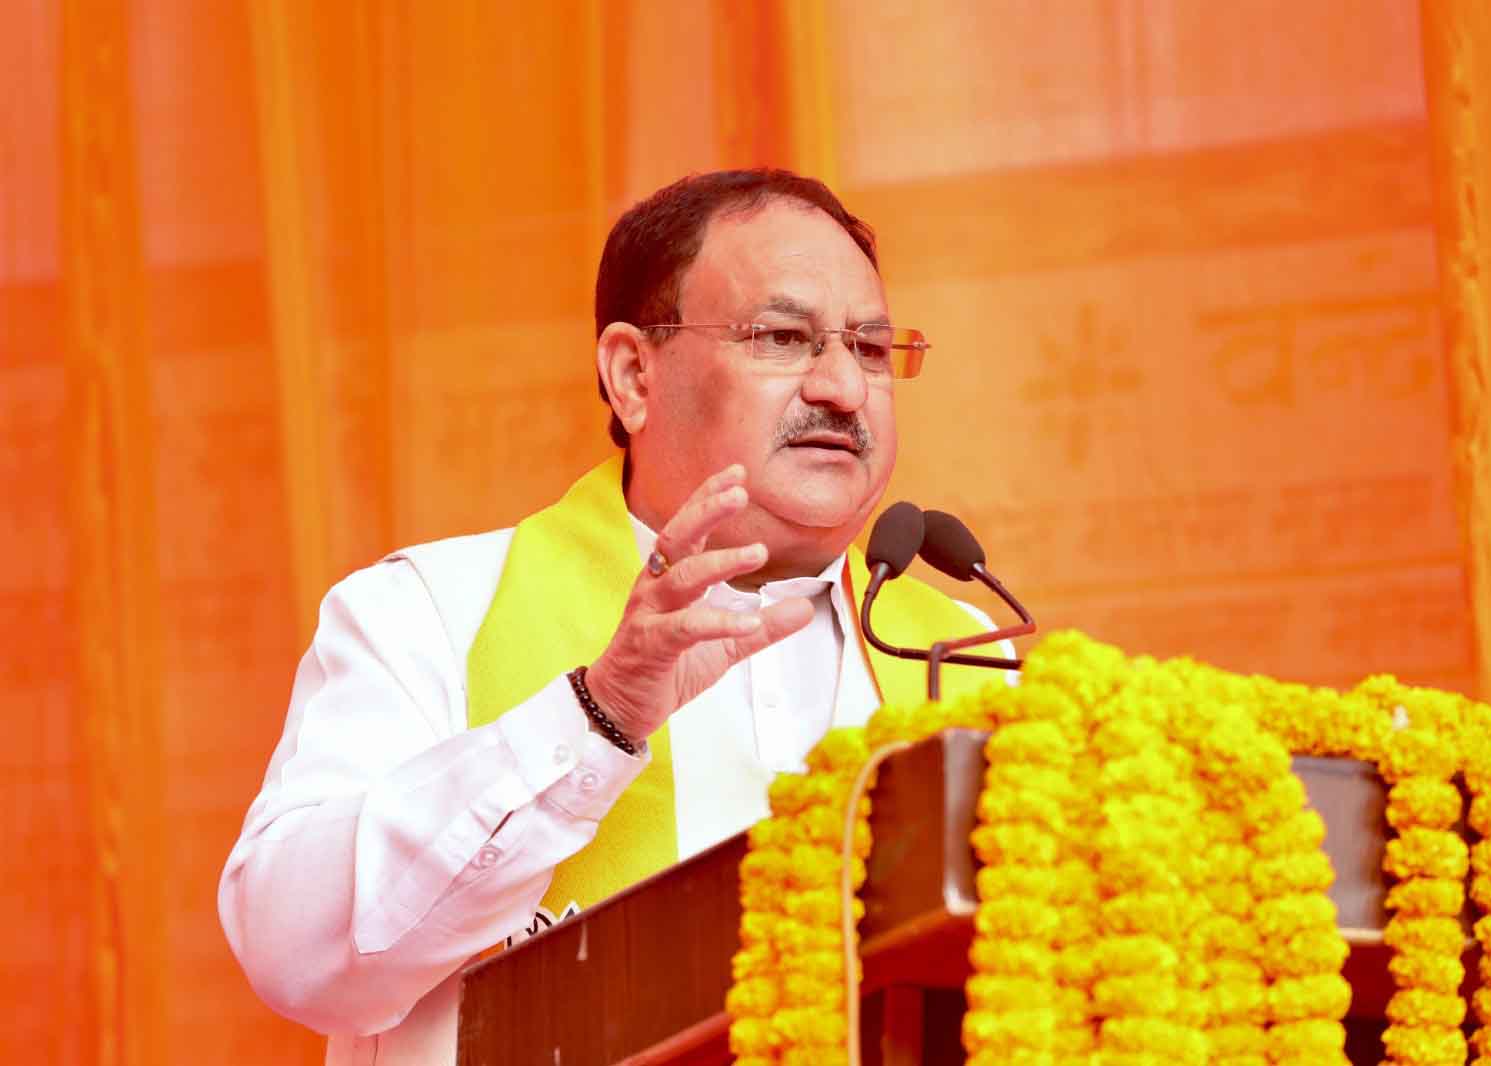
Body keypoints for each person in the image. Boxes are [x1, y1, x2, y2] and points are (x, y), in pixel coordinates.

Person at [219, 169, 1003, 1066]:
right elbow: (292, 955)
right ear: (634, 374)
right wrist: (597, 713)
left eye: (869, 349)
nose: (842, 388)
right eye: (784, 337)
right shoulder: (427, 613)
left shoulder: (971, 660)